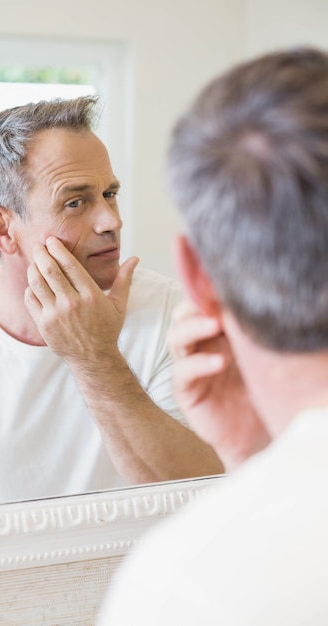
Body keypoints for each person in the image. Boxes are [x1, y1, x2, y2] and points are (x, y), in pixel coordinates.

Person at [97, 47, 328, 625]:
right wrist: (254, 461)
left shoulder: (186, 587)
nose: (107, 222)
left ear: (196, 275)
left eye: (109, 195)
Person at [0, 96, 223, 509]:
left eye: (109, 194)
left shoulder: (169, 311)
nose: (111, 221)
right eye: (75, 202)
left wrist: (94, 357)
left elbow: (201, 499)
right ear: (3, 229)